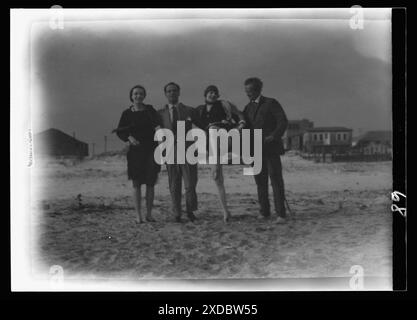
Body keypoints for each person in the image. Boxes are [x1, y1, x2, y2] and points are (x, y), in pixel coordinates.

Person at [194, 85, 245, 223]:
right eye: (210, 92)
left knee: (212, 130)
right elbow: (193, 122)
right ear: (205, 94)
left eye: (215, 93)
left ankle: (218, 163)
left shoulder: (224, 104)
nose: (213, 95)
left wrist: (240, 124)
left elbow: (239, 114)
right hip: (211, 143)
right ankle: (225, 211)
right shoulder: (200, 109)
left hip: (224, 135)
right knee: (217, 179)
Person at [243, 77, 289, 224]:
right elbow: (244, 127)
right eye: (246, 91)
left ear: (258, 89)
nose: (248, 94)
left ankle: (281, 214)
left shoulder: (271, 103)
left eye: (250, 91)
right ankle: (264, 212)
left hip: (271, 149)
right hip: (254, 150)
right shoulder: (247, 108)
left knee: (276, 180)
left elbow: (283, 121)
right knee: (260, 182)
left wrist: (274, 136)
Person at [115, 85, 161, 224]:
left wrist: (159, 133)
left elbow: (158, 125)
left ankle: (149, 214)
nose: (138, 96)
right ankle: (138, 215)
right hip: (135, 151)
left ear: (144, 95)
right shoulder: (127, 113)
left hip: (152, 150)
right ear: (131, 96)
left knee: (150, 183)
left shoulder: (150, 110)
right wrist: (129, 138)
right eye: (135, 94)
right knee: (136, 183)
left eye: (141, 94)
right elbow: (120, 131)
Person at [157, 82, 199, 223]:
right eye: (169, 91)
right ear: (165, 94)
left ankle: (190, 211)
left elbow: (200, 126)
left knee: (190, 183)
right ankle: (177, 213)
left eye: (174, 90)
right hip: (170, 151)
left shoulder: (189, 110)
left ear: (179, 92)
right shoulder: (160, 113)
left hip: (188, 149)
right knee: (174, 184)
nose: (172, 93)